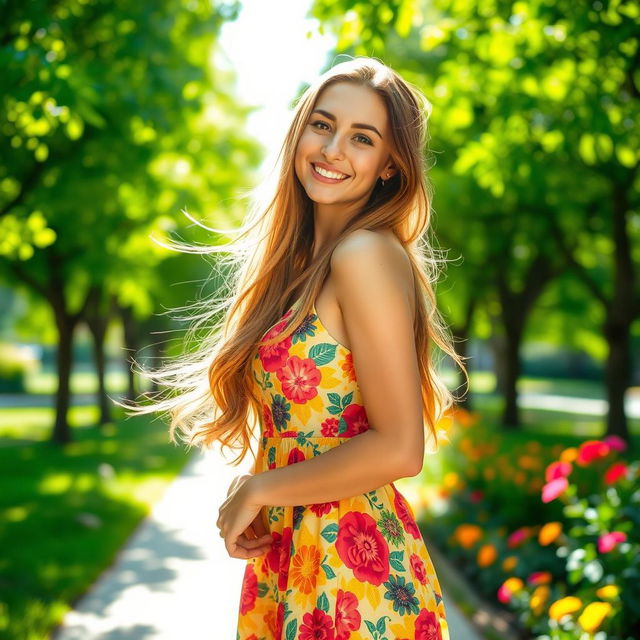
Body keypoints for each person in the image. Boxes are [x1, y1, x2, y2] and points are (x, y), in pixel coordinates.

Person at [120, 56, 468, 639]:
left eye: (363, 138)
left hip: (353, 576)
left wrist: (258, 488)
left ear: (390, 167)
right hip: (296, 557)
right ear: (299, 130)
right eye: (323, 124)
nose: (333, 149)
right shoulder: (304, 268)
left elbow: (401, 448)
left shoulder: (364, 255)